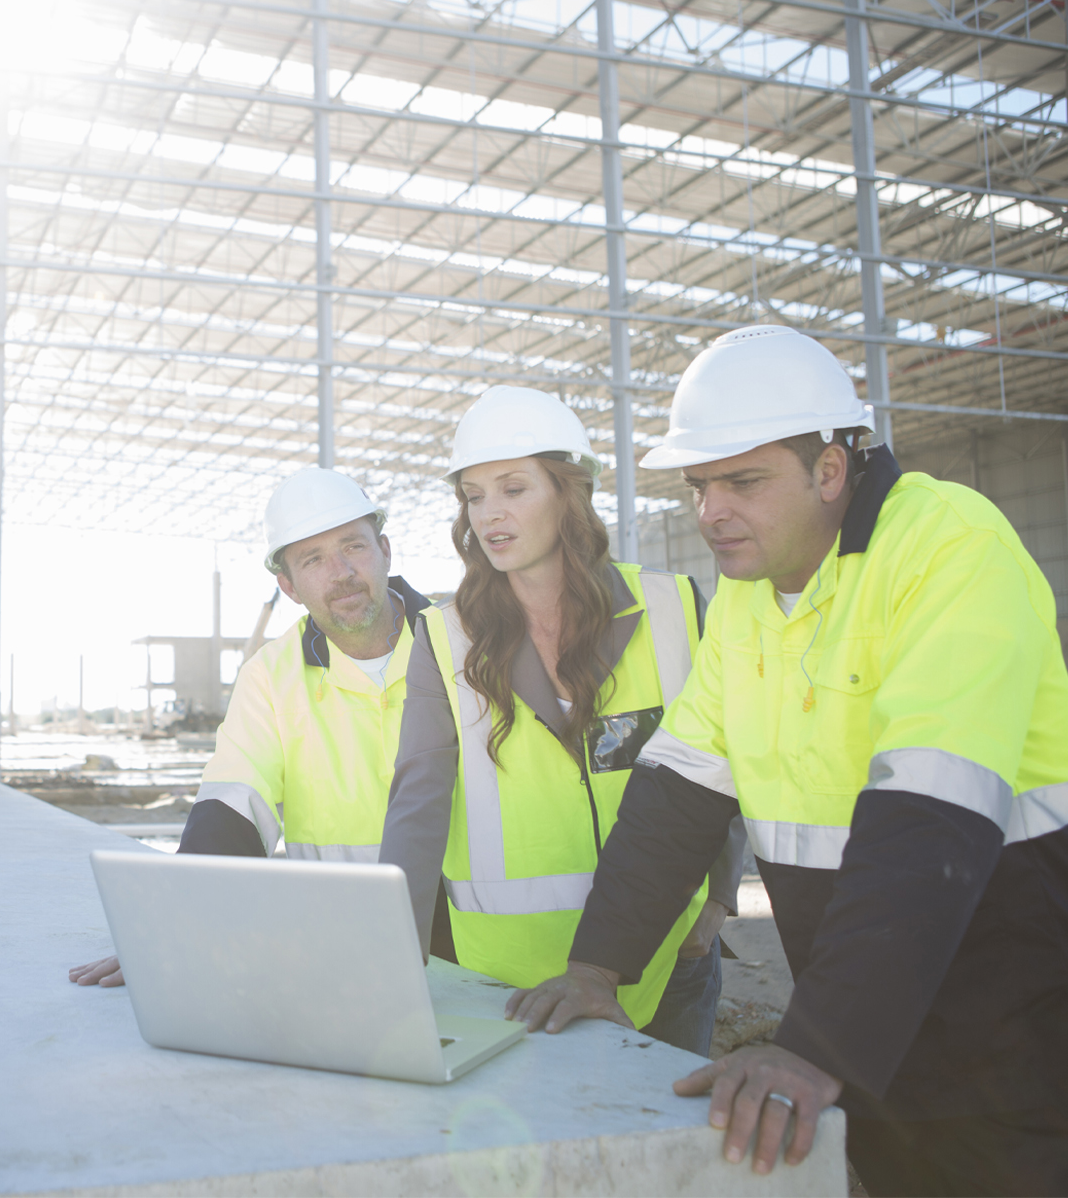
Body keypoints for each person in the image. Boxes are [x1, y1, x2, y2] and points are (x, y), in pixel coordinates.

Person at [504, 326, 1068, 1195]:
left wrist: (817, 1048)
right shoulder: (748, 598)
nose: (710, 511)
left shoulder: (950, 549)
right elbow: (678, 789)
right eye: (700, 485)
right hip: (868, 1036)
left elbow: (930, 813)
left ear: (832, 470)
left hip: (1009, 1038)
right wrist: (598, 966)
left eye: (744, 481)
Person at [379, 387, 745, 1056]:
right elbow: (418, 804)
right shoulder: (444, 637)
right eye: (474, 495)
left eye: (513, 488)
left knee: (671, 1152)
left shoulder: (675, 608)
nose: (490, 514)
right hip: (512, 982)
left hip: (669, 960)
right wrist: (384, 959)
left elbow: (724, 761)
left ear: (568, 494)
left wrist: (717, 900)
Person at [71, 466, 434, 987]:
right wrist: (180, 923)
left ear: (385, 550)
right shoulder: (269, 676)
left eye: (353, 547)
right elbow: (233, 805)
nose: (341, 572)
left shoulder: (462, 649)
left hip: (481, 957)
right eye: (313, 559)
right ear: (288, 585)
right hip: (347, 953)